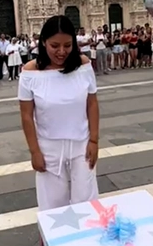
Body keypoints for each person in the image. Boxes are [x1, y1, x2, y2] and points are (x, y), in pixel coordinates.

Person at [18, 15, 100, 210]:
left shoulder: (83, 65)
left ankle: (87, 240)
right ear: (44, 42)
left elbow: (92, 104)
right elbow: (26, 116)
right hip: (48, 146)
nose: (61, 52)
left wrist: (94, 140)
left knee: (87, 201)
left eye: (67, 45)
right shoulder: (30, 72)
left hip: (82, 144)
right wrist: (35, 151)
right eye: (55, 46)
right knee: (52, 205)